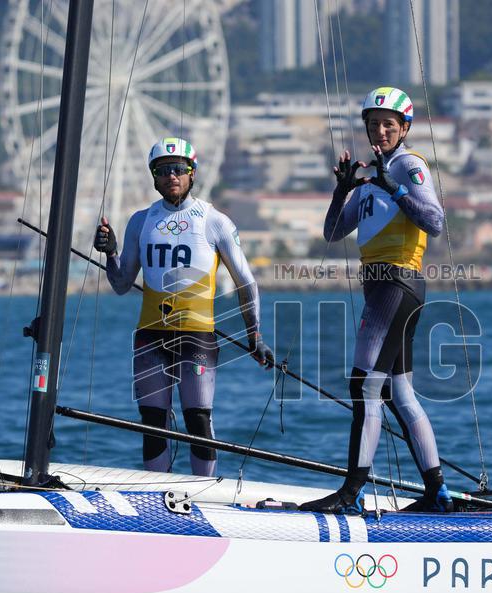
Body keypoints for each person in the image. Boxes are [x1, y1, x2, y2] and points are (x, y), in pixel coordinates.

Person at [300, 87, 451, 514]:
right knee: (398, 391)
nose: (380, 131)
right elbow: (332, 233)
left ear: (404, 129)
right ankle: (436, 492)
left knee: (363, 386)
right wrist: (342, 190)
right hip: (384, 287)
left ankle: (350, 494)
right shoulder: (371, 180)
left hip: (396, 284)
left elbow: (436, 222)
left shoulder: (408, 165)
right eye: (373, 124)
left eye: (389, 124)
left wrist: (397, 190)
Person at [93, 137, 274, 476]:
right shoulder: (140, 221)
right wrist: (111, 253)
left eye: (178, 170)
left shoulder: (215, 220)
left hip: (197, 337)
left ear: (192, 174)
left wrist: (255, 336)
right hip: (150, 336)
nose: (171, 176)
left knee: (197, 418)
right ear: (154, 177)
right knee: (152, 421)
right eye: (163, 171)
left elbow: (246, 282)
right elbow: (120, 284)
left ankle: (203, 494)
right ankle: (156, 491)